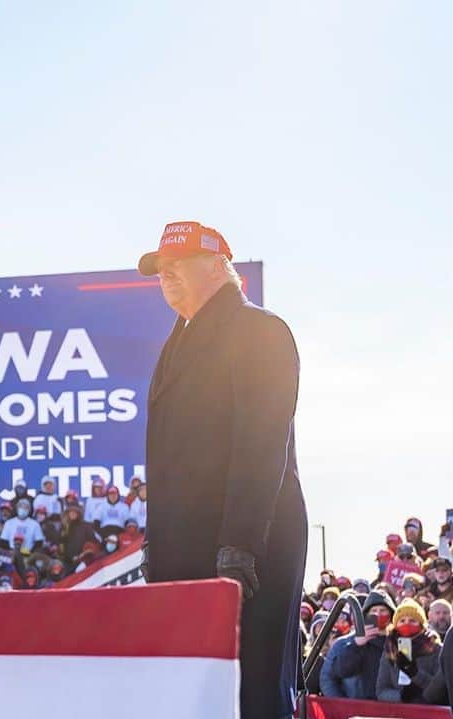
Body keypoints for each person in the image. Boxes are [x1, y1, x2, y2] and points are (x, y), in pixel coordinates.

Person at [138, 221, 307, 719]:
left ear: (218, 266)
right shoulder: (176, 346)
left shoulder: (260, 330)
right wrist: (157, 542)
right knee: (196, 692)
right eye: (160, 271)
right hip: (185, 551)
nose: (166, 278)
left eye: (177, 266)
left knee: (251, 690)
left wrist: (242, 543)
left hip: (246, 549)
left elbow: (261, 440)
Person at [326, 589, 397, 701]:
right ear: (366, 615)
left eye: (383, 610)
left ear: (391, 614)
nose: (378, 614)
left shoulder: (398, 639)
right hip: (364, 705)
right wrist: (356, 645)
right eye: (374, 611)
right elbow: (341, 671)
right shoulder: (358, 641)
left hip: (393, 704)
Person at [375, 599, 443, 704]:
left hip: (429, 710)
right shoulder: (390, 648)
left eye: (412, 621)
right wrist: (402, 697)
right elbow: (381, 690)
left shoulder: (435, 648)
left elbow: (441, 689)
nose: (407, 624)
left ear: (421, 625)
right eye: (402, 621)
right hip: (399, 713)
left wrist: (415, 674)